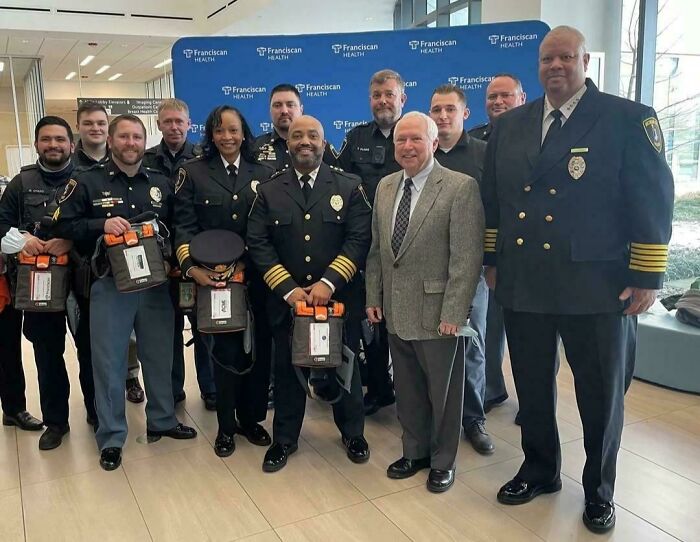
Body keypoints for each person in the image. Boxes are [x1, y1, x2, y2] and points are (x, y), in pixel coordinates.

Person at [482, 26, 674, 533]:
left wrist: (647, 273)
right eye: (547, 59)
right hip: (525, 279)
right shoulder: (510, 124)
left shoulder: (626, 118)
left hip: (597, 282)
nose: (555, 66)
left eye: (566, 57)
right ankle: (540, 468)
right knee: (532, 386)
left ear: (585, 60)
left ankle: (599, 489)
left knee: (599, 393)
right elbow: (494, 199)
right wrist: (492, 259)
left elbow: (651, 198)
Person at [54, 114, 197, 471]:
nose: (130, 143)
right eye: (124, 137)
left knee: (160, 355)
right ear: (112, 141)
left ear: (143, 141)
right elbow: (63, 223)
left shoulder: (162, 182)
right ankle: (112, 436)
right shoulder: (86, 181)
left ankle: (163, 419)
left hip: (156, 284)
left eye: (137, 137)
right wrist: (100, 224)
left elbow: (180, 226)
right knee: (109, 362)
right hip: (110, 284)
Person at [365, 111, 483, 492]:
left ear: (434, 143)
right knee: (409, 389)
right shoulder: (385, 187)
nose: (408, 146)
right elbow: (377, 251)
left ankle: (442, 460)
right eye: (401, 140)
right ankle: (413, 451)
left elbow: (466, 258)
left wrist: (454, 311)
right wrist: (373, 296)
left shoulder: (460, 187)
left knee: (444, 396)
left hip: (438, 315)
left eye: (416, 139)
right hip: (396, 310)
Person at [247, 115, 371, 473]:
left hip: (337, 300)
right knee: (287, 370)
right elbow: (258, 241)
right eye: (298, 135)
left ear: (323, 142)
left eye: (312, 135)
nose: (305, 141)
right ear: (288, 143)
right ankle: (284, 439)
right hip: (287, 302)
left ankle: (353, 433)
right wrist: (289, 289)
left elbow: (359, 239)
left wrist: (328, 283)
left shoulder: (349, 186)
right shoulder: (269, 189)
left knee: (345, 365)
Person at [174, 105, 274, 457]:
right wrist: (192, 268)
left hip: (259, 277)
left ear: (244, 132)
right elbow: (183, 227)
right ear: (210, 135)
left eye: (233, 130)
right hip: (214, 280)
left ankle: (252, 420)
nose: (227, 137)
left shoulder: (266, 171)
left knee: (258, 351)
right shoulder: (193, 172)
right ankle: (227, 427)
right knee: (226, 354)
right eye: (220, 131)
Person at [0, 116, 97, 449]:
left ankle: (98, 414)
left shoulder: (90, 179)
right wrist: (20, 240)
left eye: (60, 139)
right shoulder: (20, 183)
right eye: (46, 139)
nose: (53, 145)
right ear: (37, 144)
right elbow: (1, 227)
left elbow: (102, 226)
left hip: (83, 282)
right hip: (36, 282)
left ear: (72, 144)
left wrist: (70, 241)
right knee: (47, 353)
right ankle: (56, 422)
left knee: (91, 350)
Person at [337, 68, 407, 416]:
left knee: (408, 323)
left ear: (402, 99)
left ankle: (412, 393)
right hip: (367, 248)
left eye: (389, 95)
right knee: (373, 323)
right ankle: (380, 388)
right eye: (377, 96)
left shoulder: (416, 133)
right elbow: (339, 184)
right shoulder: (356, 137)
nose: (383, 101)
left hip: (408, 246)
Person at [429, 84, 494, 455]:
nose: (442, 116)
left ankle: (473, 418)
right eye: (436, 110)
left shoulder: (485, 155)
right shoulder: (422, 153)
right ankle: (438, 416)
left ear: (464, 113)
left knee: (471, 345)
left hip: (470, 270)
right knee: (431, 346)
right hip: (426, 270)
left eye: (449, 109)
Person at [143, 98, 215, 410]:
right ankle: (172, 391)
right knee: (166, 330)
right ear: (158, 124)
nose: (174, 126)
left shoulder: (204, 159)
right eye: (168, 121)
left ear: (189, 124)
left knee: (205, 327)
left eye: (179, 121)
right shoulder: (144, 160)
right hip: (158, 262)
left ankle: (211, 390)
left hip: (197, 259)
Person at [468, 74, 527, 414]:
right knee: (488, 327)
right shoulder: (477, 140)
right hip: (491, 250)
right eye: (491, 97)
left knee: (529, 337)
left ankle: (533, 403)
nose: (498, 102)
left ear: (522, 97)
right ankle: (490, 389)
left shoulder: (539, 135)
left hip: (530, 252)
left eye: (505, 95)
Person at [254, 83, 337, 172]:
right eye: (277, 105)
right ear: (270, 110)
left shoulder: (320, 147)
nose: (284, 111)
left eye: (290, 105)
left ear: (301, 110)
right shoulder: (255, 147)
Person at [73, 101, 110, 169]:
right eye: (88, 123)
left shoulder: (122, 159)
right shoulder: (67, 163)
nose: (96, 129)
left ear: (108, 126)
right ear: (78, 127)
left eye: (101, 123)